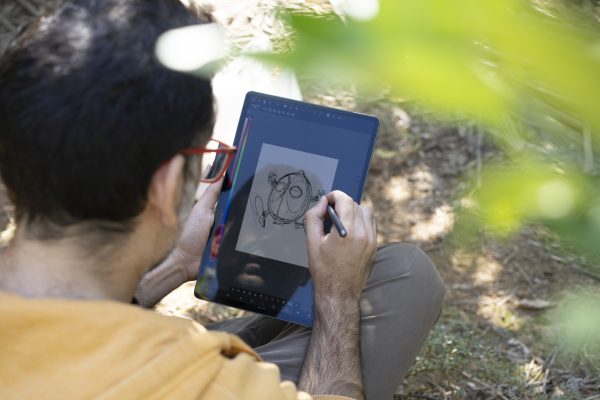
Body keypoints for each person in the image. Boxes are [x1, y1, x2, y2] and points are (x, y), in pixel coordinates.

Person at [0, 0, 445, 399]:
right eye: (207, 156)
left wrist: (177, 264)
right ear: (169, 182)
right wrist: (336, 298)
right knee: (402, 283)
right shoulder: (209, 385)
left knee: (401, 271)